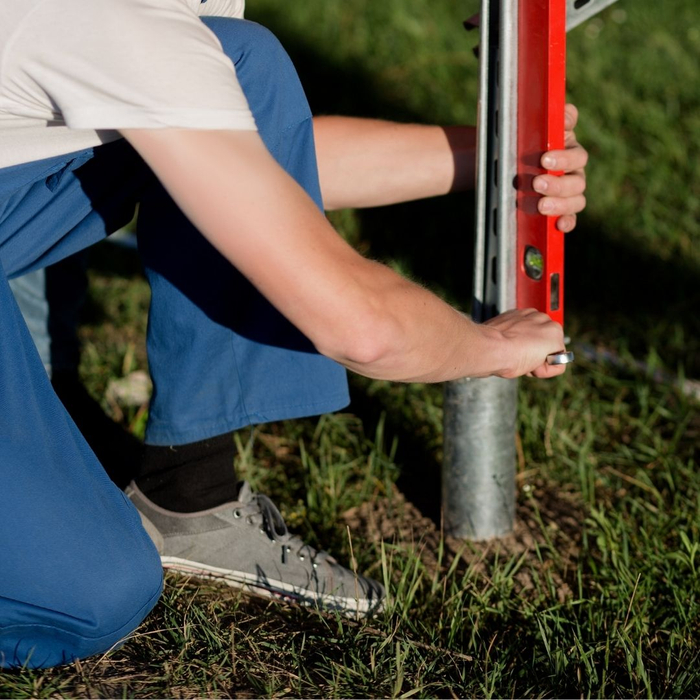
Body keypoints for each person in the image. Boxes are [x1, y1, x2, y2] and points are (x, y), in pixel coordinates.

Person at [0, 0, 588, 670]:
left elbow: (237, 157)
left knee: (244, 64)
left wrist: (494, 158)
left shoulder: (164, 17)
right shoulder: (110, 18)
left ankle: (189, 494)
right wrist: (492, 346)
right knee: (85, 595)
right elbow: (362, 329)